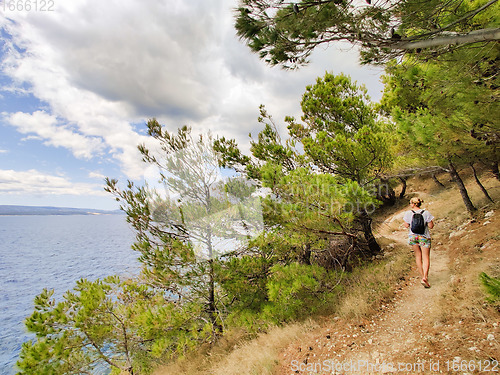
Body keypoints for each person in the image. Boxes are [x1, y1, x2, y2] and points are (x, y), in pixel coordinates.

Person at [403, 197, 435, 288]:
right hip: (424, 237)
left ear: (413, 204)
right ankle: (425, 277)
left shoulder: (408, 213)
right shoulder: (426, 213)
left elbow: (406, 225)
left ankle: (422, 276)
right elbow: (431, 226)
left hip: (413, 237)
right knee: (426, 257)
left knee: (418, 256)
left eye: (410, 203)